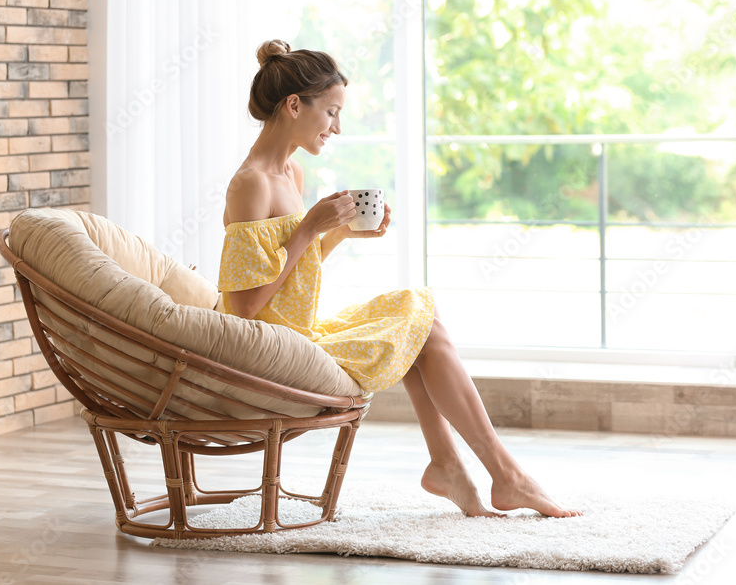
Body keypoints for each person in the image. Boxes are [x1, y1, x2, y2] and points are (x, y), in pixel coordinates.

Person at [217, 39, 579, 518]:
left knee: (417, 316)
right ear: (293, 105)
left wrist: (341, 233)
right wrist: (309, 228)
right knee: (419, 327)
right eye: (331, 112)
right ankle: (491, 473)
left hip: (301, 331)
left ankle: (456, 465)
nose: (337, 128)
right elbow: (243, 308)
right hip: (270, 348)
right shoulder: (251, 183)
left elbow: (291, 271)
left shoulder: (292, 174)